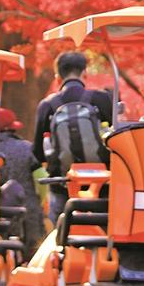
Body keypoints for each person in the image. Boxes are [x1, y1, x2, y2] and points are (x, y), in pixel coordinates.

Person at [32, 51, 114, 221]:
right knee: (103, 232)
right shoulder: (102, 99)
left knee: (63, 234)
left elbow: (38, 153)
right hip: (102, 185)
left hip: (63, 185)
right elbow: (118, 139)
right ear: (84, 74)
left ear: (57, 78)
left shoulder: (47, 105)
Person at [0, 108, 43, 257]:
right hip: (29, 210)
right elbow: (41, 179)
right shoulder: (27, 148)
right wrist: (40, 202)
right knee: (32, 254)